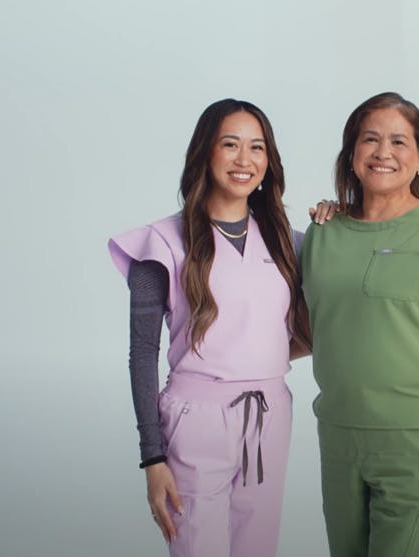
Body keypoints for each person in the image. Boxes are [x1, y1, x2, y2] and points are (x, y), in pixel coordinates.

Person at [107, 99, 310, 557]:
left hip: (269, 414)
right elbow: (142, 354)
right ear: (205, 152)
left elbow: (318, 311)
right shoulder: (161, 243)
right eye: (231, 145)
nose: (245, 160)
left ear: (269, 160)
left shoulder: (287, 241)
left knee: (258, 549)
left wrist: (333, 219)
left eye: (257, 148)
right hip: (195, 418)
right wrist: (152, 458)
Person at [300, 92, 419, 557]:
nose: (383, 152)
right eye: (370, 140)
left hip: (417, 441)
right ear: (351, 154)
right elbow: (310, 331)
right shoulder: (322, 235)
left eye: (399, 141)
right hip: (339, 437)